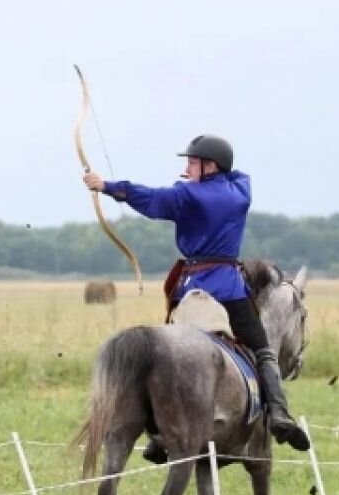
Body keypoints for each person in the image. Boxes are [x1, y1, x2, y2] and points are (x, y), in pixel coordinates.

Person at [82, 133, 311, 456]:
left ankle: (159, 434)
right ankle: (278, 413)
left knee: (166, 354)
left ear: (210, 165)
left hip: (193, 290)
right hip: (231, 287)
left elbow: (150, 198)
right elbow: (230, 176)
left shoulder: (187, 196)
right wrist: (201, 177)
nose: (187, 167)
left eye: (192, 161)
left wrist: (106, 186)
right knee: (261, 349)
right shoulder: (241, 190)